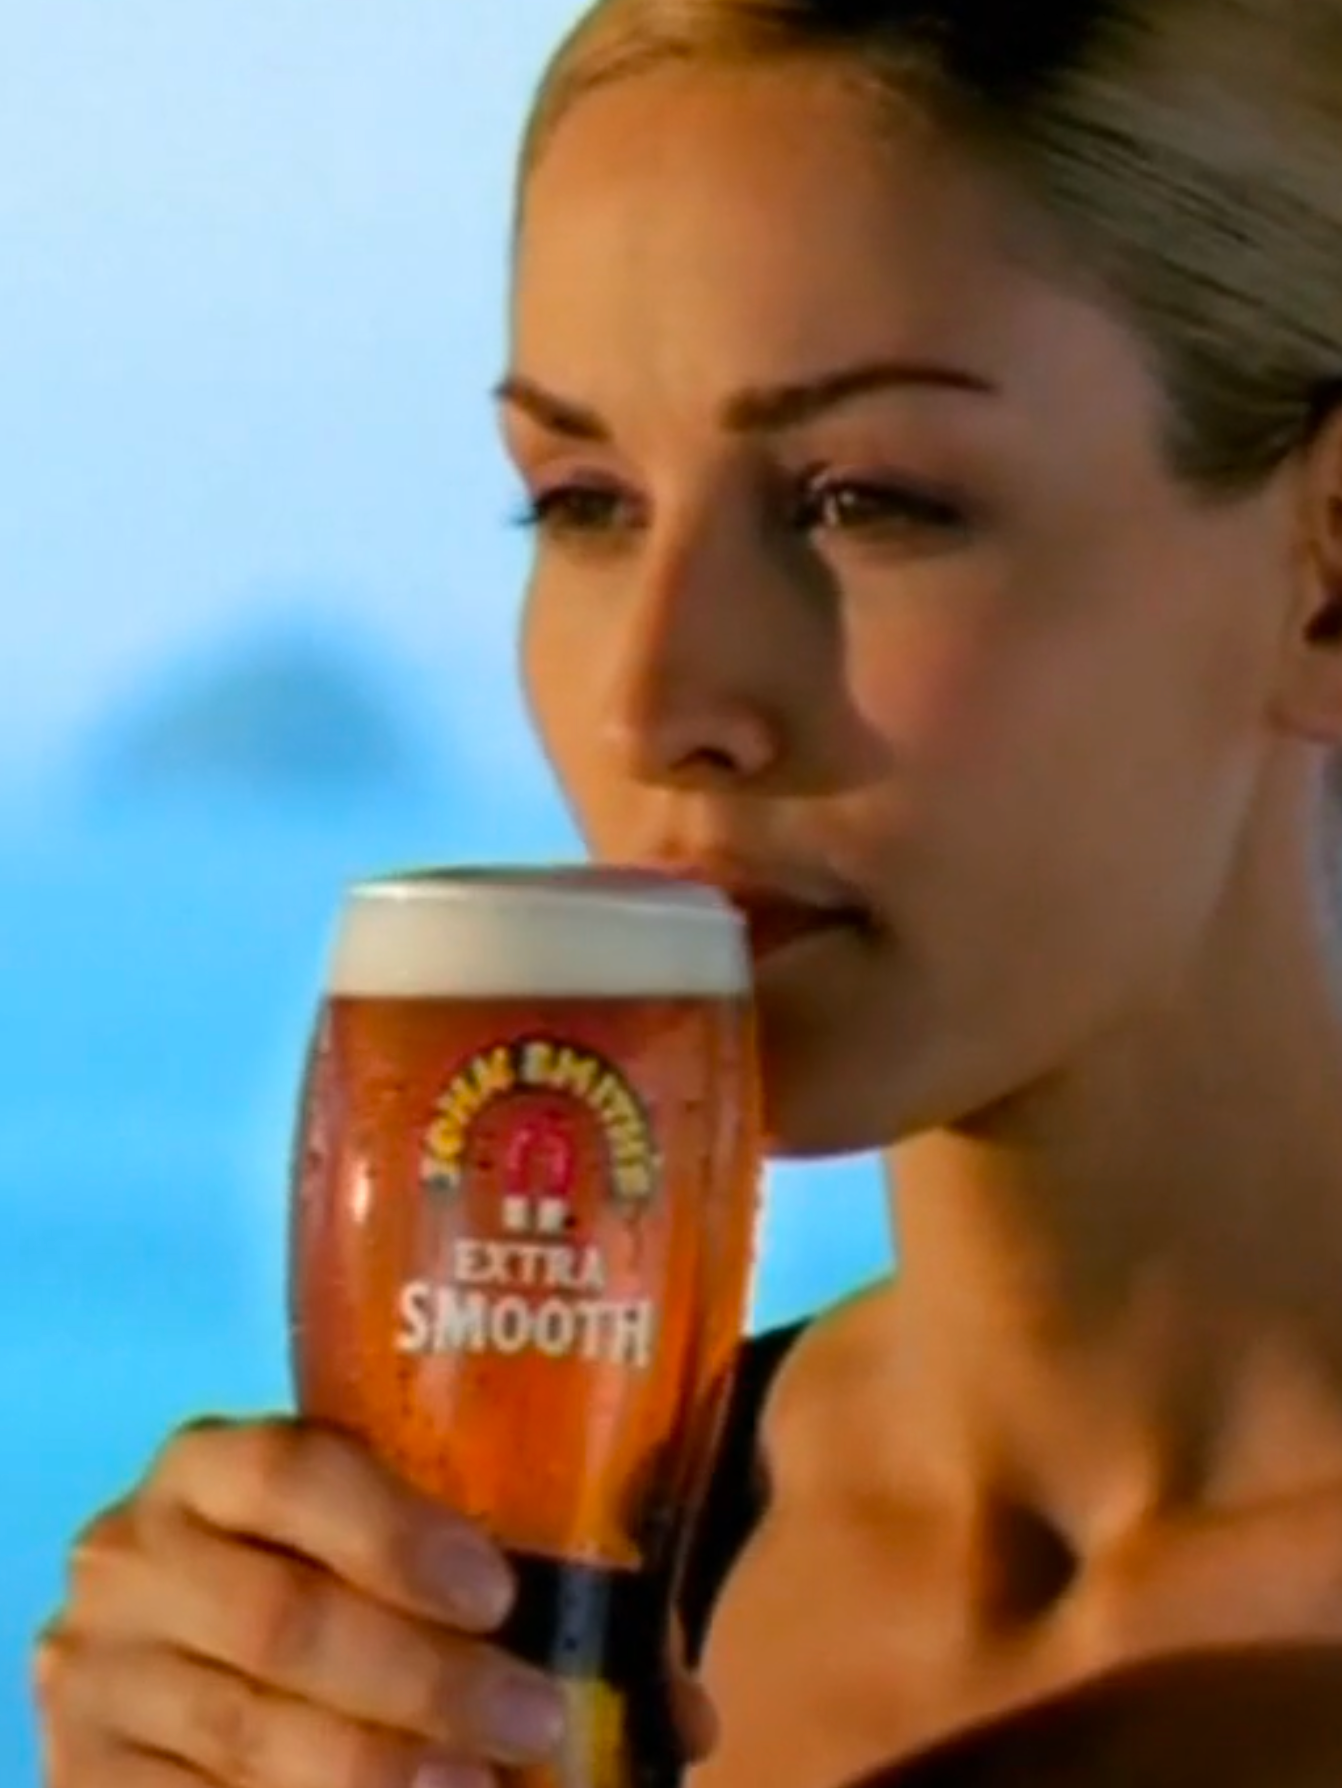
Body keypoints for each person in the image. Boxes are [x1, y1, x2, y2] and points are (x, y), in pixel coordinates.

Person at [34, 0, 1342, 1781]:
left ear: (1322, 577)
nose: (653, 704)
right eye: (582, 502)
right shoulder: (506, 1615)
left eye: (862, 499)